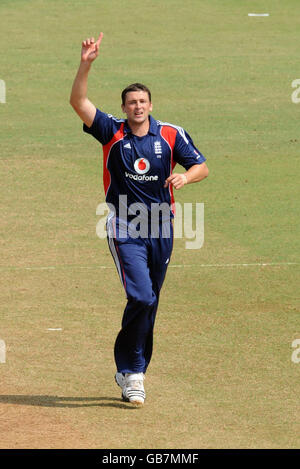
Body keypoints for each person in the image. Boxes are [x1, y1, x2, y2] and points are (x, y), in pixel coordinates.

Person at [70, 33, 209, 407]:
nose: (137, 107)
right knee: (141, 295)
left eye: (142, 101)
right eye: (131, 102)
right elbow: (78, 101)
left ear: (151, 104)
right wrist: (87, 63)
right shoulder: (110, 131)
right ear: (123, 106)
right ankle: (132, 372)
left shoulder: (170, 134)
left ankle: (134, 371)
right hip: (125, 228)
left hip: (162, 228)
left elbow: (201, 166)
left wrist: (185, 176)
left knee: (151, 302)